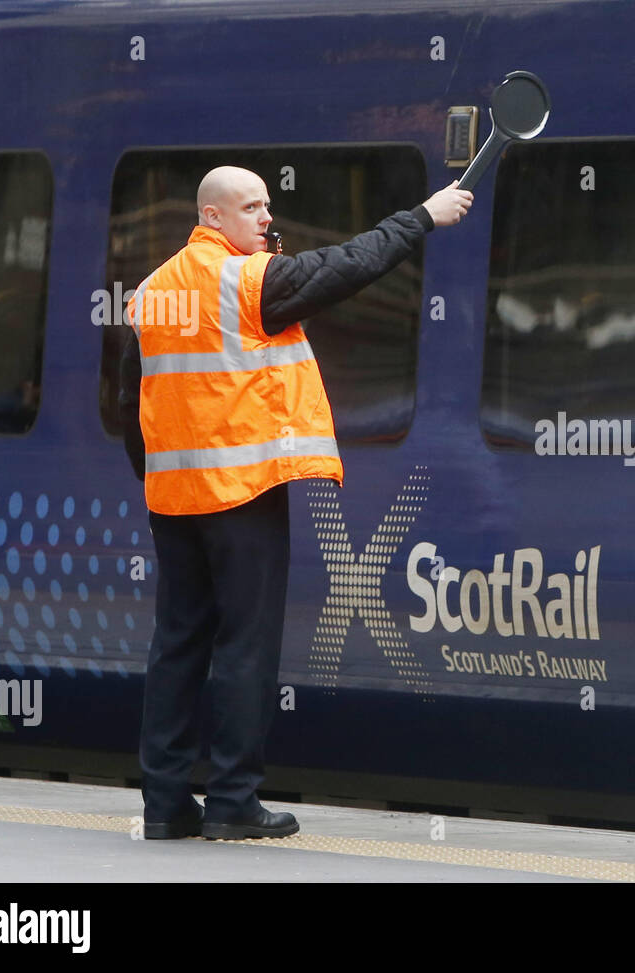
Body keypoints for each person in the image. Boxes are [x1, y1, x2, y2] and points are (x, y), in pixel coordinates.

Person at [118, 166, 471, 839]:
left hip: (175, 500)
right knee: (245, 646)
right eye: (251, 208)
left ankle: (163, 804)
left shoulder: (153, 291)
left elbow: (131, 400)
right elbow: (348, 265)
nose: (266, 219)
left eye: (267, 206)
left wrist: (158, 480)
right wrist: (423, 216)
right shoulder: (247, 281)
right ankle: (232, 802)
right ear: (212, 217)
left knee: (176, 645)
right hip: (244, 497)